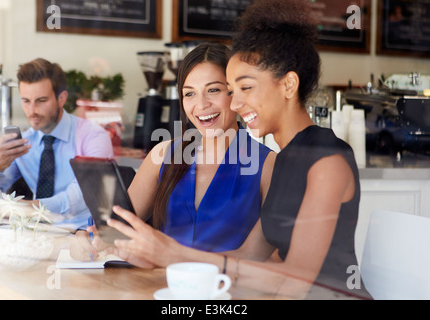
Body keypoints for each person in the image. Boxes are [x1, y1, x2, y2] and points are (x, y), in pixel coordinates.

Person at [104, 0, 372, 300]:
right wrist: (167, 258)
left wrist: (172, 254)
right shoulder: (285, 160)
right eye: (231, 90)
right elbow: (249, 256)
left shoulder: (326, 162)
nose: (233, 104)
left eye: (245, 88)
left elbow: (294, 284)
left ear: (288, 85)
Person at [70, 43, 275, 260]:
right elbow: (117, 230)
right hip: (159, 290)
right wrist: (86, 236)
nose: (201, 105)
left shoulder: (268, 165)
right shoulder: (162, 155)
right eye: (189, 94)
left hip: (228, 291)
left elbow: (255, 258)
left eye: (213, 90)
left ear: (235, 93)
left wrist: (173, 257)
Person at [0, 58, 114, 230]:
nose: (32, 111)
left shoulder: (94, 136)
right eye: (26, 101)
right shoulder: (24, 142)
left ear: (61, 99)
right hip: (38, 234)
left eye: (41, 101)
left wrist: (33, 208)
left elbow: (84, 195)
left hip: (84, 234)